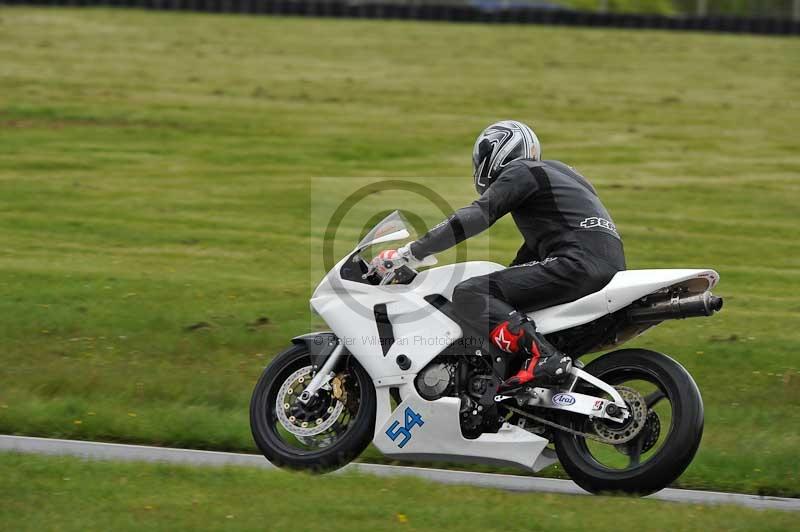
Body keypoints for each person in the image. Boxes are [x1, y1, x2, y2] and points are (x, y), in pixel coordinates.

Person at [373, 120, 626, 392]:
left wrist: (411, 253)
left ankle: (543, 356)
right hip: (607, 267)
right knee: (495, 296)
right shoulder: (560, 179)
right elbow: (532, 254)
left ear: (497, 151)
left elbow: (476, 215)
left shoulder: (521, 170)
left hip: (576, 264)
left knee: (470, 292)